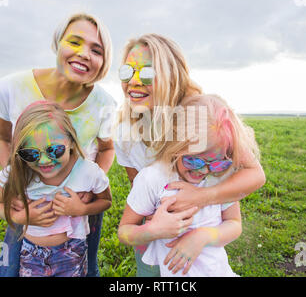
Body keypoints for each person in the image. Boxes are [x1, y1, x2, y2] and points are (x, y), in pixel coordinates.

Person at [113, 34, 266, 276]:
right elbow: (137, 187)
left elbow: (255, 174)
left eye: (147, 74)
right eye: (126, 72)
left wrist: (202, 197)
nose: (133, 81)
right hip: (154, 240)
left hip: (201, 244)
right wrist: (153, 229)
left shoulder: (201, 116)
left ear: (171, 76)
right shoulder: (124, 132)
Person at [0, 12, 116, 277]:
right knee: (9, 268)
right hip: (25, 199)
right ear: (58, 43)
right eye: (75, 42)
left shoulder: (104, 104)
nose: (83, 53)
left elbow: (106, 149)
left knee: (85, 267)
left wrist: (88, 193)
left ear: (103, 61)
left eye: (96, 50)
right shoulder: (11, 87)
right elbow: (3, 138)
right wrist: (21, 185)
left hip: (78, 201)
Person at [118, 94, 258, 276]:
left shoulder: (222, 177)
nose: (204, 171)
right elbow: (124, 232)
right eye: (194, 161)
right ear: (175, 144)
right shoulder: (153, 178)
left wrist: (202, 237)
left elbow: (234, 223)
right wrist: (153, 230)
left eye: (217, 163)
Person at [0, 101, 112, 277]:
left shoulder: (88, 171)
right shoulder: (17, 173)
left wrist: (83, 209)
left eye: (54, 150)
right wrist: (20, 217)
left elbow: (106, 201)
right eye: (31, 154)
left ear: (71, 141)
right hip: (30, 253)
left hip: (71, 252)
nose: (43, 161)